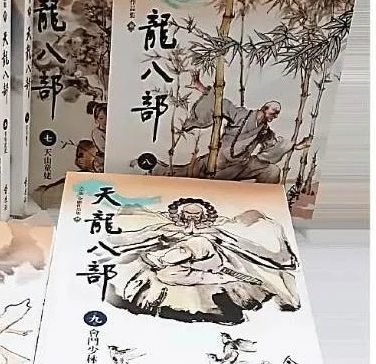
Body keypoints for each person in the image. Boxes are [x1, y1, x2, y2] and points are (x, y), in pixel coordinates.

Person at [108, 197, 300, 324]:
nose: (192, 220)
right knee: (168, 273)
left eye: (196, 215)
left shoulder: (217, 228)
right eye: (187, 215)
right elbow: (141, 236)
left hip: (210, 259)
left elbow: (234, 238)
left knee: (196, 247)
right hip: (182, 266)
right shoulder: (167, 227)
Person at [181, 75, 310, 183]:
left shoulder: (264, 130)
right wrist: (201, 87)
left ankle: (259, 200)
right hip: (219, 163)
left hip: (241, 164)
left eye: (277, 114)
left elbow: (275, 144)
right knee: (191, 171)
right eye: (274, 113)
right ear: (264, 109)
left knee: (272, 171)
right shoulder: (241, 114)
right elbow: (222, 104)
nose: (275, 117)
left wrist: (296, 146)